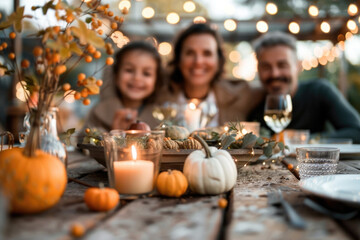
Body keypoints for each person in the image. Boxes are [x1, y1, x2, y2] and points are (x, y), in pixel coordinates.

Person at [247, 31, 360, 143]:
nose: (275, 74)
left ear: (298, 66)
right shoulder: (252, 103)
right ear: (258, 70)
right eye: (266, 67)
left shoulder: (319, 91)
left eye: (282, 65)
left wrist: (303, 139)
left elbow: (356, 131)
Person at [163, 23, 261, 128]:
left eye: (207, 53)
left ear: (218, 61)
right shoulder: (157, 98)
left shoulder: (241, 94)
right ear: (178, 59)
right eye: (190, 53)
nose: (198, 61)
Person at [83, 41, 163, 132]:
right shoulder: (98, 113)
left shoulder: (163, 118)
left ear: (157, 80)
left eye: (146, 73)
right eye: (129, 70)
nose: (137, 78)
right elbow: (82, 143)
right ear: (116, 75)